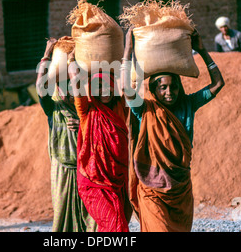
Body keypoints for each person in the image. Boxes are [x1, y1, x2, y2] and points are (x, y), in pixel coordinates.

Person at [121, 27, 225, 232]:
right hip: (152, 189)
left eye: (173, 86)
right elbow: (126, 88)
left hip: (180, 189)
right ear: (154, 90)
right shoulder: (145, 109)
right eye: (163, 87)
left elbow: (218, 83)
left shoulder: (188, 104)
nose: (170, 92)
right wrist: (128, 49)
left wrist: (202, 51)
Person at [36, 37, 97, 232]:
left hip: (88, 172)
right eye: (64, 85)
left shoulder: (90, 112)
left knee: (91, 220)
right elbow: (40, 89)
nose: (69, 92)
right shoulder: (53, 108)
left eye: (73, 86)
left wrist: (84, 125)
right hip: (62, 172)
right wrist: (46, 56)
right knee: (64, 223)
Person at [67, 51, 132, 232]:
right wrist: (72, 60)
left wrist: (127, 48)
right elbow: (77, 86)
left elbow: (127, 84)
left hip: (118, 182)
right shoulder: (87, 112)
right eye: (98, 86)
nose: (104, 90)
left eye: (108, 86)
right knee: (116, 227)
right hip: (93, 183)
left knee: (114, 226)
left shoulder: (120, 109)